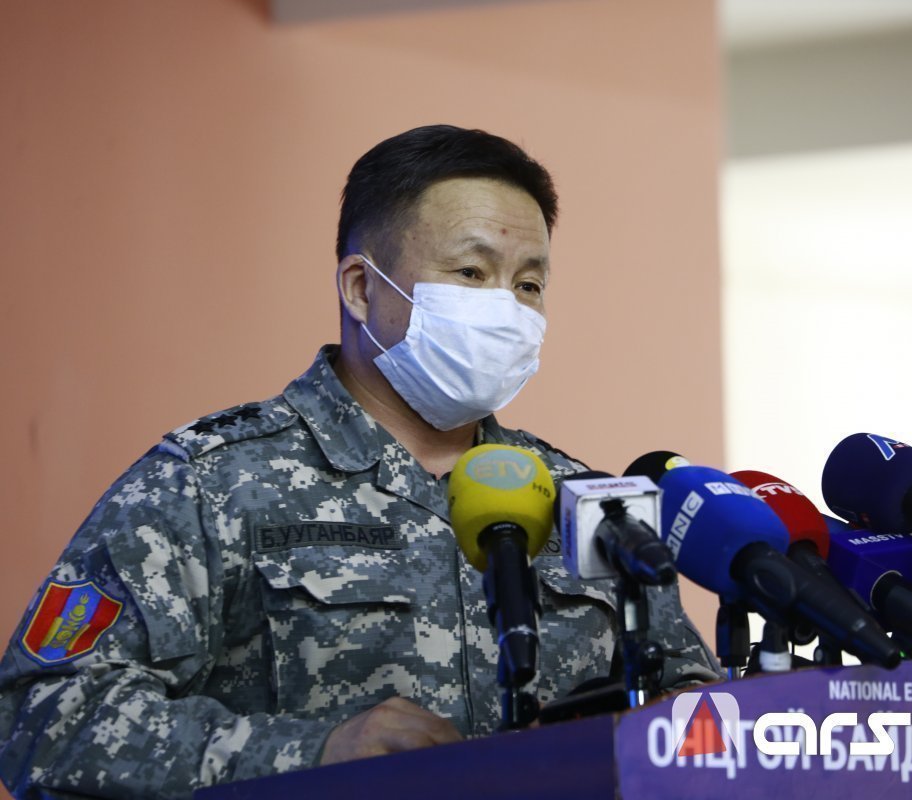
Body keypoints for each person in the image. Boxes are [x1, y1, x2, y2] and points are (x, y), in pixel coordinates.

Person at [0, 125, 719, 798]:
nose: (506, 309)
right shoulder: (210, 481)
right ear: (360, 287)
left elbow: (698, 708)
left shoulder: (587, 501)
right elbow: (42, 716)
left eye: (528, 285)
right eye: (471, 272)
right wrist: (315, 752)